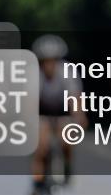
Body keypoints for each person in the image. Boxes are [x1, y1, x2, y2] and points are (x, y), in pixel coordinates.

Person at [30, 35, 86, 195]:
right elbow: (30, 100)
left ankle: (67, 167)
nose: (48, 65)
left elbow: (75, 97)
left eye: (52, 60)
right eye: (44, 61)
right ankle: (37, 181)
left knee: (66, 139)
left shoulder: (67, 71)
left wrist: (79, 116)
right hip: (43, 111)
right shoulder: (34, 73)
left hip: (63, 111)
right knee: (40, 146)